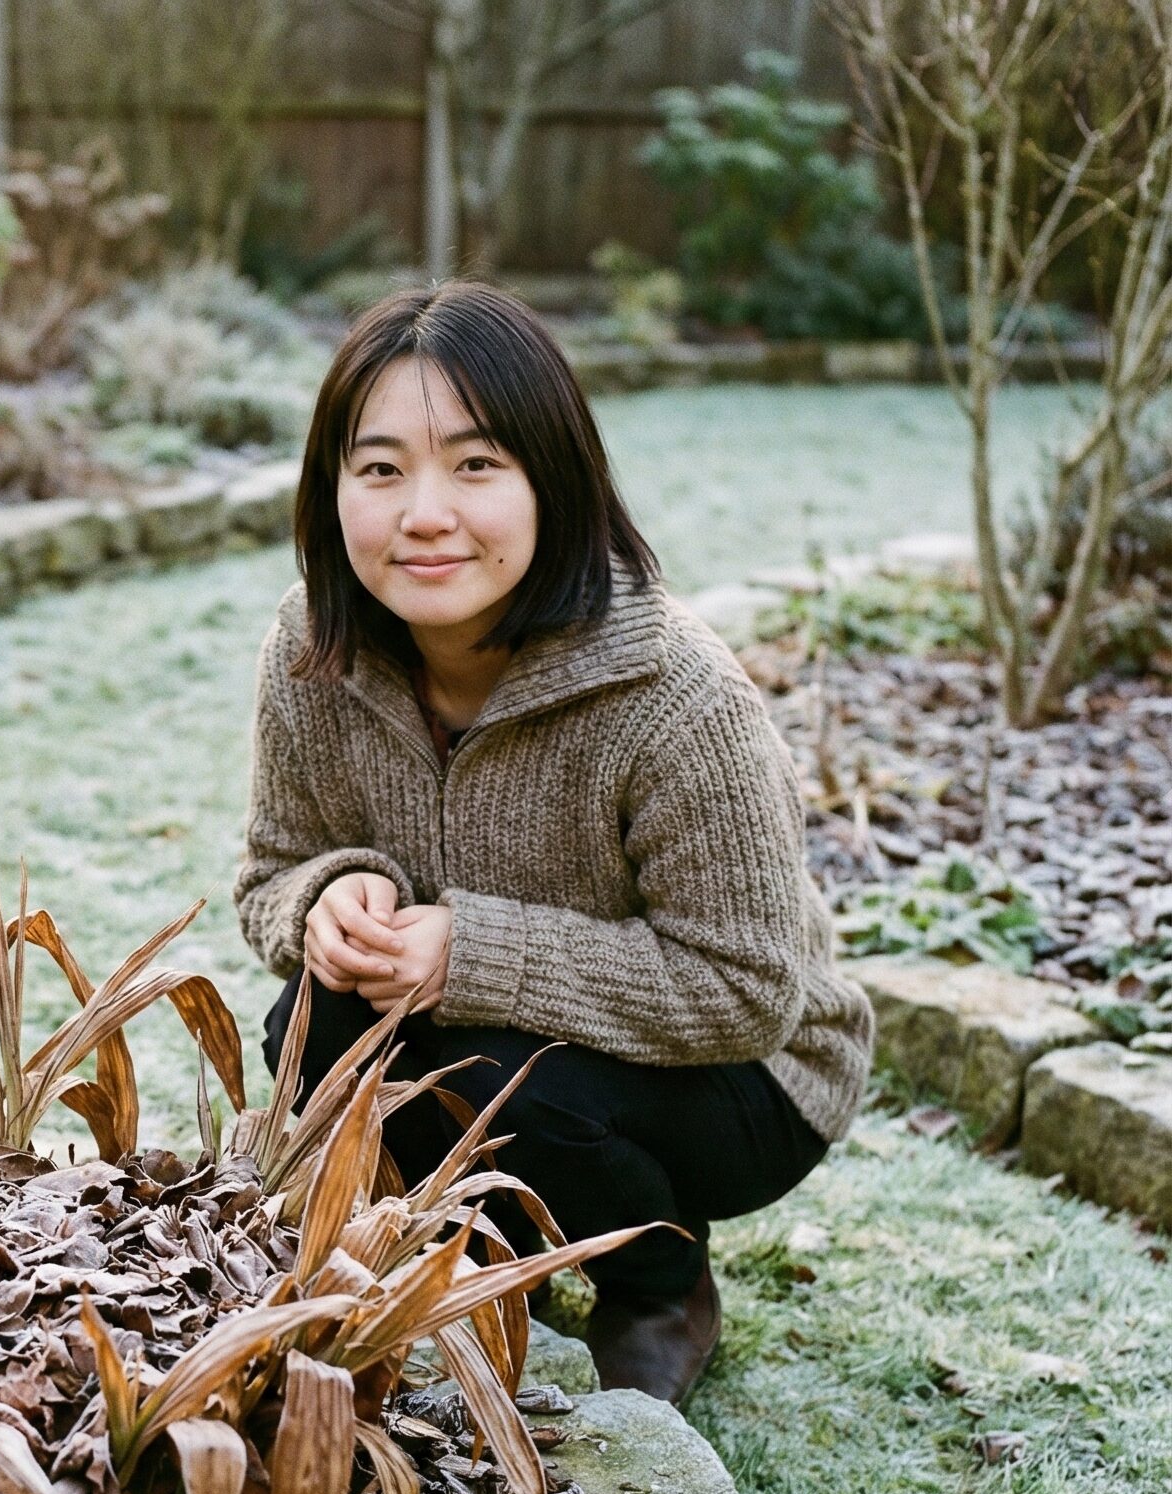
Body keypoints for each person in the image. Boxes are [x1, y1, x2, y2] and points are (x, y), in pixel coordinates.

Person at [234, 281, 872, 1405]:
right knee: (310, 1021)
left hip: (746, 1078)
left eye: (475, 465)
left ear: (553, 480)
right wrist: (327, 897)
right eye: (379, 469)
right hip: (503, 1033)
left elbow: (748, 989)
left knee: (508, 1082)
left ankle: (659, 1284)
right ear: (330, 489)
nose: (424, 513)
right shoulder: (311, 649)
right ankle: (473, 1247)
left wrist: (469, 954)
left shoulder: (674, 695)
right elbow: (269, 874)